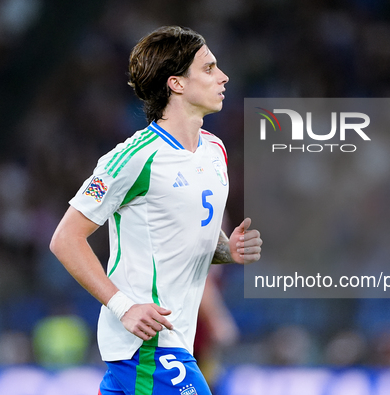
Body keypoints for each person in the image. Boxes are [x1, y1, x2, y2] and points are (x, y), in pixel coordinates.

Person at [49, 26, 262, 395]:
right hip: (147, 346)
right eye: (209, 68)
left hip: (176, 341)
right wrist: (124, 306)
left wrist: (229, 249)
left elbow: (183, 238)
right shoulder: (134, 157)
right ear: (177, 84)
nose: (223, 77)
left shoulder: (214, 151)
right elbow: (65, 239)